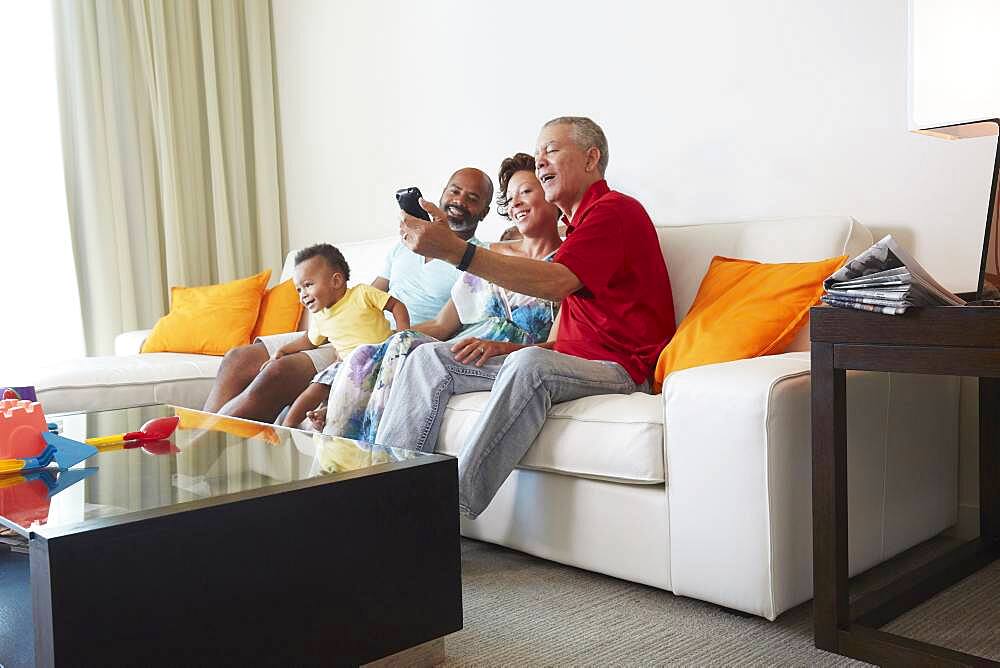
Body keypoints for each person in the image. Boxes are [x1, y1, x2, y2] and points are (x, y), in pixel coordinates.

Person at [377, 117, 677, 519]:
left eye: (551, 151)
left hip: (622, 369)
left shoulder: (615, 212)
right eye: (537, 155)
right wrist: (511, 346)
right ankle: (383, 495)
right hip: (569, 361)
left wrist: (457, 252)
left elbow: (555, 283)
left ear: (592, 158)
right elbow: (568, 337)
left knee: (531, 365)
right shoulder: (576, 227)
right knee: (429, 358)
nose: (540, 163)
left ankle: (443, 512)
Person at [202, 167, 493, 422]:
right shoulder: (407, 245)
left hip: (376, 346)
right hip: (345, 329)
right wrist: (330, 323)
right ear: (442, 194)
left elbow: (443, 326)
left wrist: (386, 339)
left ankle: (198, 453)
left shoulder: (478, 261)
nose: (459, 201)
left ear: (484, 211)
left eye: (472, 198)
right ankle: (196, 457)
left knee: (275, 374)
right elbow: (366, 295)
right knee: (238, 358)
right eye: (455, 191)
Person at [309, 154, 563, 441]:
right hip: (463, 345)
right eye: (511, 196)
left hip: (506, 354)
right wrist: (383, 339)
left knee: (405, 349)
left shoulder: (565, 265)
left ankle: (366, 460)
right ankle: (338, 456)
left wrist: (501, 347)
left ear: (554, 195)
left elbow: (560, 345)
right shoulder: (489, 256)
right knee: (371, 350)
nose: (515, 202)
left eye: (526, 192)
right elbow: (443, 325)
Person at [277, 244, 409, 427]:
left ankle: (326, 411)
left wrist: (403, 336)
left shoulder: (362, 294)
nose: (303, 295)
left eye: (307, 285)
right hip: (346, 367)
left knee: (360, 392)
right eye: (299, 289)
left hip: (380, 359)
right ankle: (286, 428)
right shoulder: (320, 317)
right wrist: (283, 350)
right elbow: (308, 341)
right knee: (317, 386)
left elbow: (396, 306)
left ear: (336, 281)